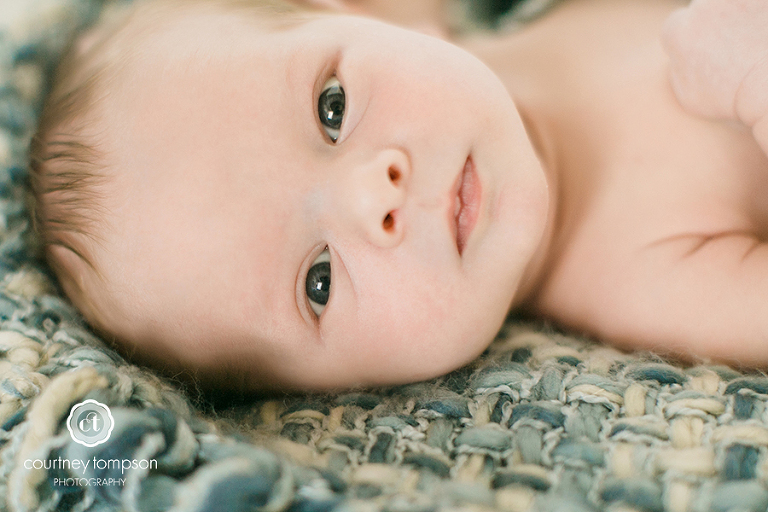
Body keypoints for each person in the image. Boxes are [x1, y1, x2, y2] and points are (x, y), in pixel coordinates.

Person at [27, 0, 768, 391]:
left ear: (362, 11)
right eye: (319, 282)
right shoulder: (647, 277)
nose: (370, 197)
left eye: (332, 109)